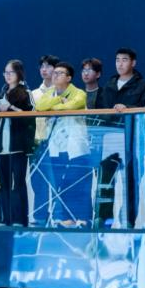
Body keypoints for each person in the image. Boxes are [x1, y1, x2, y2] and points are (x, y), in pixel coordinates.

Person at [96, 47, 145, 227]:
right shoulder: (109, 85)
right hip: (110, 138)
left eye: (124, 60)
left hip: (131, 139)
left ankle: (128, 220)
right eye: (117, 60)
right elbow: (101, 111)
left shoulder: (142, 85)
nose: (120, 64)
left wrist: (127, 109)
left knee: (130, 182)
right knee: (106, 181)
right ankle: (103, 219)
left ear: (133, 63)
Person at [34, 61, 89, 227]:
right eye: (55, 73)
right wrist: (59, 100)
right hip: (56, 146)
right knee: (59, 184)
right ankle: (66, 218)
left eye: (60, 73)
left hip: (76, 146)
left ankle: (83, 218)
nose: (55, 75)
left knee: (77, 183)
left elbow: (72, 106)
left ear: (69, 78)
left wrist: (53, 107)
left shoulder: (79, 93)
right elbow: (40, 106)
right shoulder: (50, 92)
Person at [0, 60, 35, 226]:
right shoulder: (1, 93)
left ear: (19, 73)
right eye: (6, 72)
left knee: (18, 183)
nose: (8, 76)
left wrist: (10, 108)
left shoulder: (25, 93)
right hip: (1, 146)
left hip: (18, 146)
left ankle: (19, 219)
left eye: (11, 72)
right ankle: (5, 218)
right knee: (3, 183)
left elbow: (30, 117)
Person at [29, 54, 60, 225]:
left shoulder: (61, 92)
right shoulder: (33, 94)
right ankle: (40, 216)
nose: (44, 69)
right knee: (37, 181)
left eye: (48, 66)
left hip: (56, 142)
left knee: (56, 180)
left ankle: (57, 216)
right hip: (37, 142)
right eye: (42, 66)